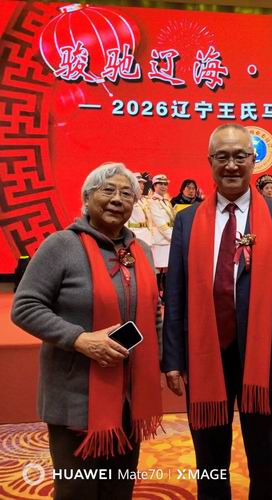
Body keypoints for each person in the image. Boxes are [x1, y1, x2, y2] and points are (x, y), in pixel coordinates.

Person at [162, 124, 272, 500]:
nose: (231, 165)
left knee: (265, 453)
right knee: (209, 454)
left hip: (265, 352)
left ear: (253, 161)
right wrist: (173, 358)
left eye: (240, 156)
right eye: (222, 157)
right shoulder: (188, 219)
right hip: (204, 352)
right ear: (210, 161)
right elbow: (175, 293)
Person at [11, 163, 163, 500]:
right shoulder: (61, 245)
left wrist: (160, 363)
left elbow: (153, 313)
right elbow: (25, 307)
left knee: (118, 489)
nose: (117, 199)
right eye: (108, 190)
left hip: (129, 396)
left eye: (127, 193)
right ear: (87, 197)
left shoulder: (141, 251)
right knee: (77, 490)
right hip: (75, 395)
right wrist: (79, 339)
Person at [149, 174, 176, 298]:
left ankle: (166, 295)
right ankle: (157, 296)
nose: (164, 186)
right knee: (158, 269)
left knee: (167, 269)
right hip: (160, 239)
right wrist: (172, 236)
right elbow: (159, 222)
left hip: (168, 239)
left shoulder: (166, 201)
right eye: (160, 184)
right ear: (154, 186)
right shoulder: (152, 202)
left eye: (165, 184)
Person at [125, 172, 153, 246]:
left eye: (142, 183)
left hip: (146, 234)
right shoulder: (127, 199)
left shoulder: (143, 200)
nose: (142, 185)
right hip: (134, 234)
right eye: (139, 183)